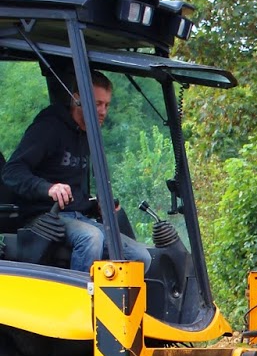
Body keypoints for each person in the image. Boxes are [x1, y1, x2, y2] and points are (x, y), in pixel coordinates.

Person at [2, 72, 152, 272]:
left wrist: (95, 205)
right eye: (97, 103)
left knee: (141, 256)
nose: (103, 111)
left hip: (78, 216)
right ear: (77, 100)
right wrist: (48, 189)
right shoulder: (49, 127)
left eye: (106, 105)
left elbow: (76, 187)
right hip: (44, 216)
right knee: (91, 238)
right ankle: (81, 301)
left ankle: (120, 303)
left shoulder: (87, 135)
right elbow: (12, 171)